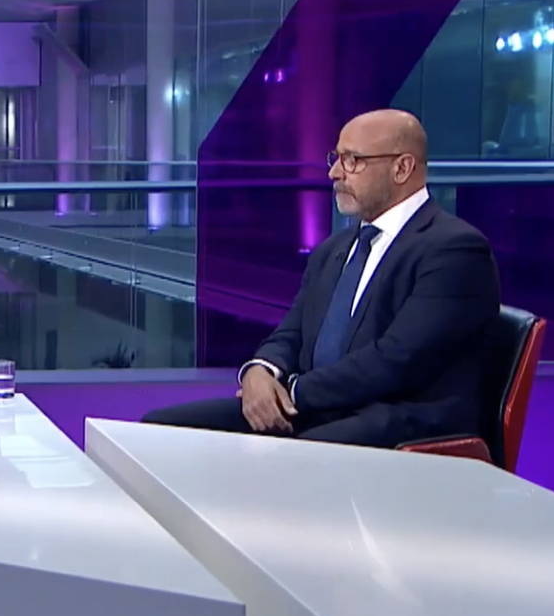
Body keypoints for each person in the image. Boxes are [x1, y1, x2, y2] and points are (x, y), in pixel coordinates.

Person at [144, 109, 502, 447]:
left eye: (353, 160)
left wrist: (294, 391)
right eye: (336, 158)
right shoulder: (334, 249)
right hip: (321, 406)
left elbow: (397, 360)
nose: (334, 173)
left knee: (293, 458)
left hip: (402, 416)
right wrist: (259, 374)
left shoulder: (453, 249)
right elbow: (292, 332)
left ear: (402, 168)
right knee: (162, 429)